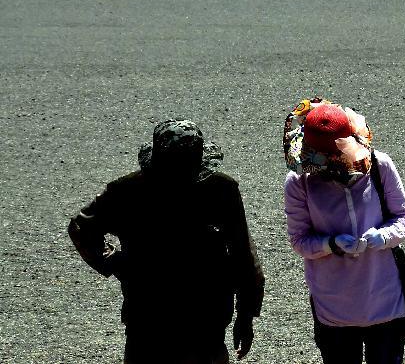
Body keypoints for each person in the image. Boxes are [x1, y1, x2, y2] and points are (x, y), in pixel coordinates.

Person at [68, 119, 265, 364]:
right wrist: (245, 316)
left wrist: (116, 263)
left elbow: (81, 226)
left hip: (152, 320)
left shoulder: (128, 190)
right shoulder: (220, 189)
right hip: (200, 320)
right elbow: (244, 256)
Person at [283, 98, 405, 364]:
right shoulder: (299, 183)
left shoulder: (380, 165)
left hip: (384, 302)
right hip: (334, 310)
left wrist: (384, 236)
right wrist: (330, 244)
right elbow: (299, 240)